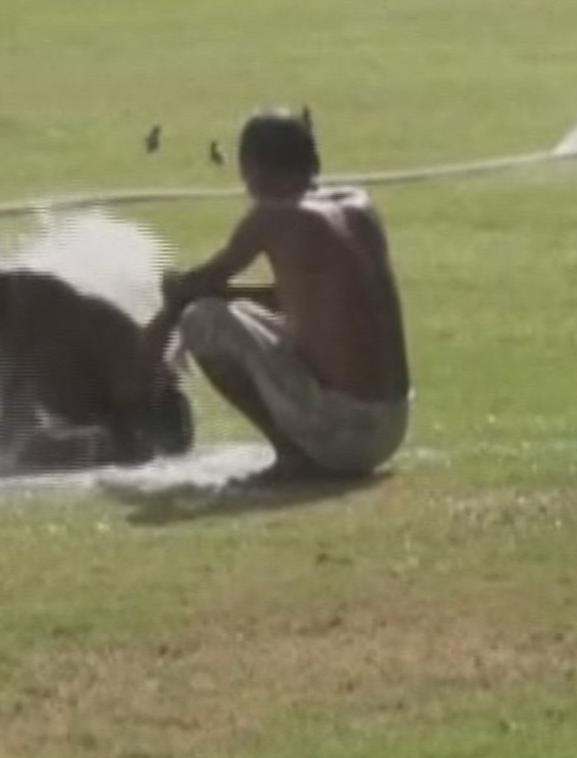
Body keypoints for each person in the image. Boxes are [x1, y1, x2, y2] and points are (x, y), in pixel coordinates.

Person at [150, 110, 411, 481]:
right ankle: (305, 449)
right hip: (392, 426)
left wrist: (167, 307)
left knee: (201, 319)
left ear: (252, 168)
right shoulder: (360, 206)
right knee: (228, 308)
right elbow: (305, 297)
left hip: (344, 435)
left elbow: (196, 288)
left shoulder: (272, 216)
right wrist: (225, 294)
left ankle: (293, 457)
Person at [0, 219, 196, 468]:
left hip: (155, 425)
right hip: (123, 423)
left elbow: (17, 428)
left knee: (31, 452)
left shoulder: (32, 304)